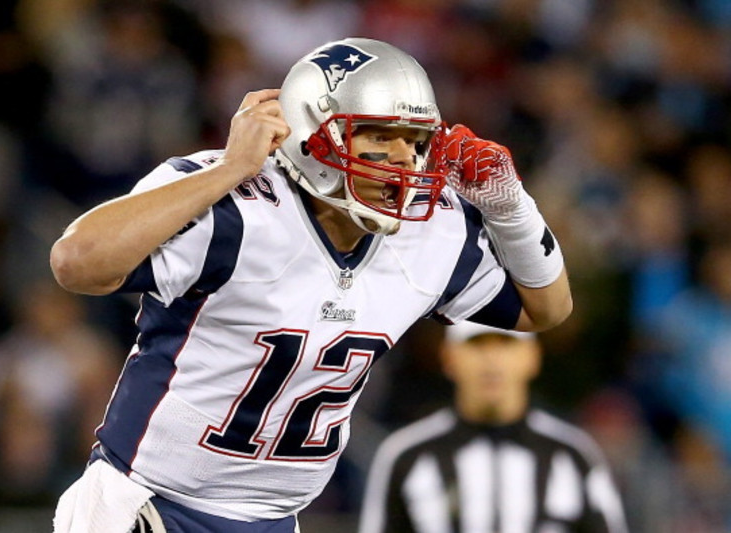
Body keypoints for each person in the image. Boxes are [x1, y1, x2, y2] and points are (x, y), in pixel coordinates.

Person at [49, 37, 572, 533]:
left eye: (414, 141)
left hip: (275, 521)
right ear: (312, 134)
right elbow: (76, 263)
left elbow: (545, 309)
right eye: (378, 135)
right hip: (148, 505)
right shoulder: (236, 204)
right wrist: (231, 168)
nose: (402, 159)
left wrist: (511, 208)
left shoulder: (429, 230)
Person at [358, 321, 627, 533]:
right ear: (449, 357)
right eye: (477, 344)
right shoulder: (406, 455)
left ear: (532, 356)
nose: (492, 360)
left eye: (506, 343)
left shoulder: (573, 453)